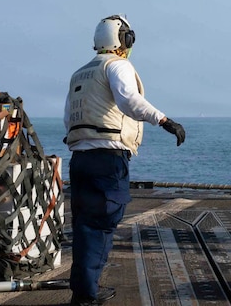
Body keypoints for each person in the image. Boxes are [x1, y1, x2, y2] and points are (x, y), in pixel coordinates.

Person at [64, 15, 186, 306]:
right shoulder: (117, 66)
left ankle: (85, 290)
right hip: (107, 159)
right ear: (123, 40)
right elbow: (129, 100)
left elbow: (69, 117)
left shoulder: (80, 73)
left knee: (84, 226)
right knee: (102, 222)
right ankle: (86, 297)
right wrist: (164, 120)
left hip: (79, 159)